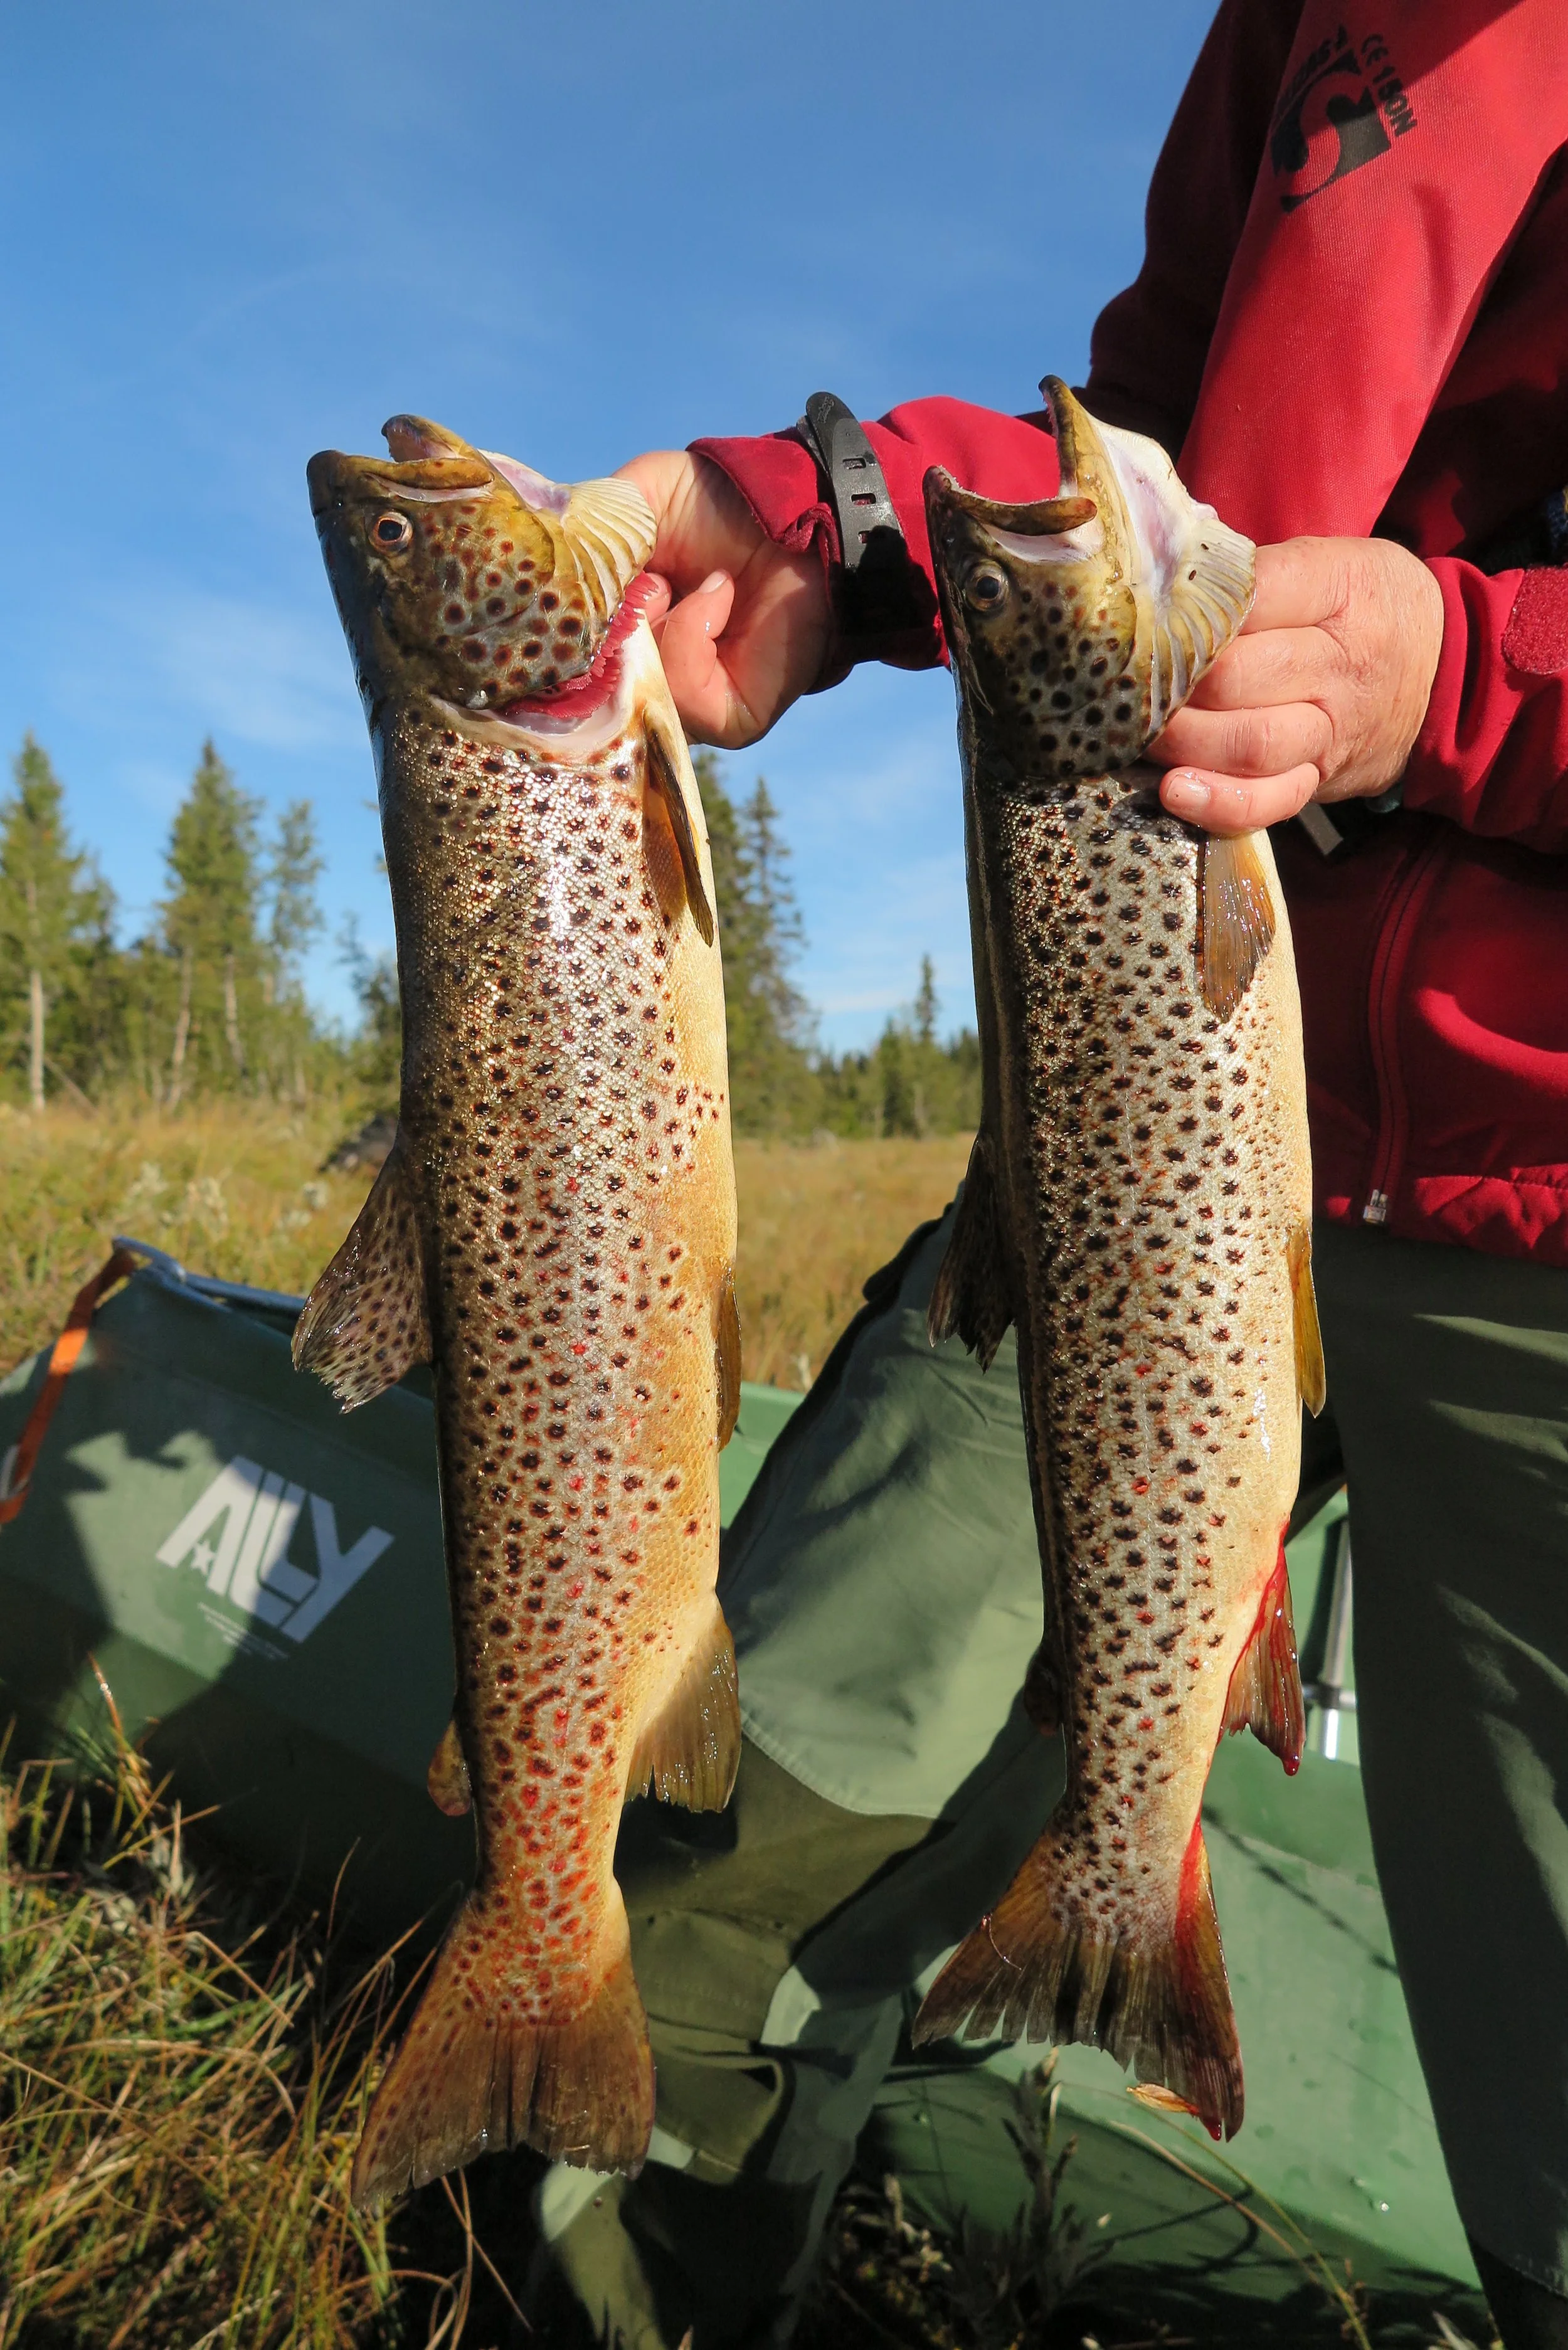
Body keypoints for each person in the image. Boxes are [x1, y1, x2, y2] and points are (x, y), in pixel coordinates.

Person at [536, 5, 1568, 2343]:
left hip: (1539, 1235)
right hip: (1138, 1177)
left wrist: (1466, 676)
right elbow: (1128, 479)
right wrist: (827, 518)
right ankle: (617, 2271)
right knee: (741, 1799)